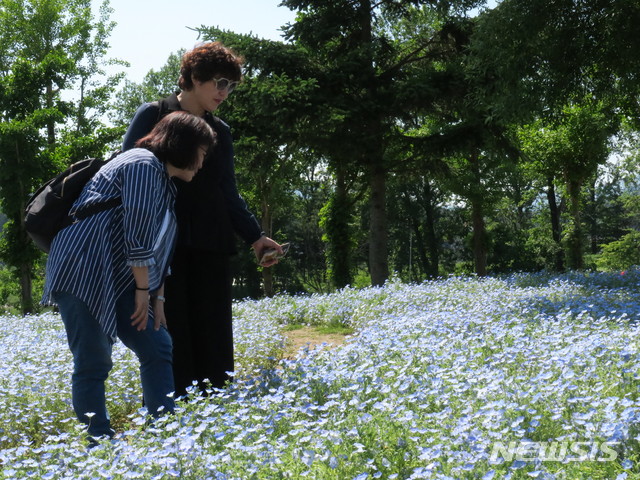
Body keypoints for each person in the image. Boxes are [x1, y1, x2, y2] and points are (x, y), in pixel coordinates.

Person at [122, 41, 283, 398]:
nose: (225, 92)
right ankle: (175, 417)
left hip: (212, 244)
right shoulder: (152, 114)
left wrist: (256, 237)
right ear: (194, 77)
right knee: (171, 333)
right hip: (164, 249)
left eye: (231, 85)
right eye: (219, 82)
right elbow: (126, 174)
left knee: (214, 336)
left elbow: (229, 192)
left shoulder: (220, 132)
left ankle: (217, 416)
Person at [43, 112, 216, 441]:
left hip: (119, 277)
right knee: (93, 360)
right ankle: (101, 446)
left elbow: (159, 245)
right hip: (82, 269)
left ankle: (164, 433)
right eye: (202, 152)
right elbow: (136, 234)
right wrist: (141, 289)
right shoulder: (141, 163)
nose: (202, 162)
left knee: (157, 345)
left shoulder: (165, 184)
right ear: (183, 145)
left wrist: (157, 296)